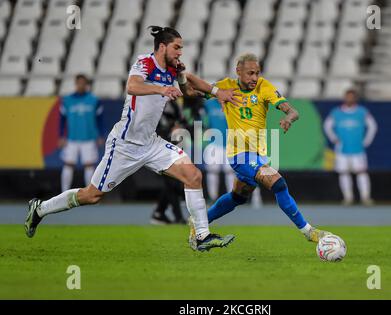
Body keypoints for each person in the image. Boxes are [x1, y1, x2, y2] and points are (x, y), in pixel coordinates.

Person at [25, 26, 241, 252]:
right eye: (177, 48)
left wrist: (216, 92)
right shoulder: (145, 62)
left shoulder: (171, 68)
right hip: (125, 145)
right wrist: (162, 89)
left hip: (151, 143)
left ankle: (201, 236)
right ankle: (40, 209)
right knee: (91, 195)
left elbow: (188, 86)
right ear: (162, 46)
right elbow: (132, 86)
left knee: (193, 175)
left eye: (181, 49)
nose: (180, 53)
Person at [182, 53, 332, 243]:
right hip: (238, 154)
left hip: (258, 155)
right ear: (238, 71)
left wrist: (288, 118)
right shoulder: (226, 87)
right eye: (250, 73)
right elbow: (190, 91)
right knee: (279, 184)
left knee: (238, 197)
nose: (254, 78)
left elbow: (292, 110)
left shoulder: (264, 87)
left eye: (257, 73)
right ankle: (309, 232)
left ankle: (197, 224)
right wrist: (183, 76)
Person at [203, 98, 263, 208]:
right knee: (212, 171)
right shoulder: (208, 104)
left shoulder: (235, 104)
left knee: (230, 172)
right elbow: (204, 120)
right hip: (215, 144)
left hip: (231, 145)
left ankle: (232, 198)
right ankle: (212, 198)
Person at [323, 89, 377, 206]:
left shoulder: (362, 112)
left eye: (352, 97)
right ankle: (348, 198)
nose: (349, 99)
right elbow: (327, 126)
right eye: (347, 97)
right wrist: (334, 139)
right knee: (343, 173)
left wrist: (366, 141)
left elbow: (373, 126)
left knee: (361, 172)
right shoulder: (336, 112)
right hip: (342, 149)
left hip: (358, 149)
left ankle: (365, 197)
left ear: (355, 98)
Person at [59, 74, 104, 192]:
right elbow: (62, 119)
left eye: (83, 83)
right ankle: (63, 194)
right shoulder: (67, 100)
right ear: (76, 83)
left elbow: (100, 119)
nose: (81, 85)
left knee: (89, 165)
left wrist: (100, 135)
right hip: (71, 138)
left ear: (87, 85)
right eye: (79, 83)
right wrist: (61, 136)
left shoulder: (94, 100)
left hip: (89, 138)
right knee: (68, 164)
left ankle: (89, 194)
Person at [151, 99, 187, 225]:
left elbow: (181, 120)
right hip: (157, 146)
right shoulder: (152, 103)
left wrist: (178, 126)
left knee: (172, 182)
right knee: (172, 182)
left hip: (171, 146)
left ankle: (159, 213)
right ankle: (177, 217)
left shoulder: (173, 104)